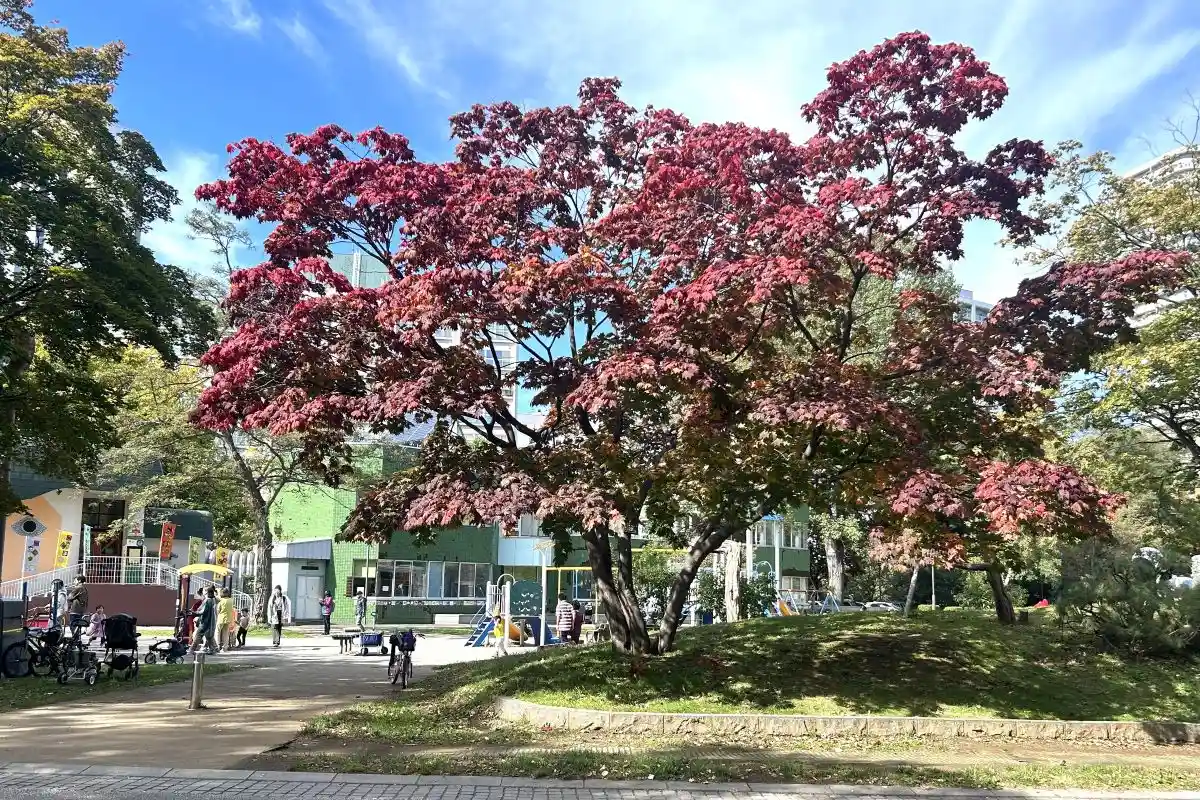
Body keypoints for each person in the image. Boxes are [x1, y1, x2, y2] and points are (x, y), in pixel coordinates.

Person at [191, 587, 217, 654]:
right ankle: (213, 649)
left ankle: (192, 649)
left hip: (205, 621)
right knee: (209, 636)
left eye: (205, 592)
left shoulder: (208, 600)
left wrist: (195, 613)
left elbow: (204, 611)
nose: (204, 594)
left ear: (208, 593)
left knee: (198, 635)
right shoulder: (214, 600)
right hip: (211, 621)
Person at [215, 588, 234, 652]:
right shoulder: (231, 600)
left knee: (217, 632)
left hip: (221, 618)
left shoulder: (221, 601)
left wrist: (217, 591)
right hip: (228, 618)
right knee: (226, 633)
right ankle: (225, 647)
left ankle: (217, 646)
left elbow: (218, 610)